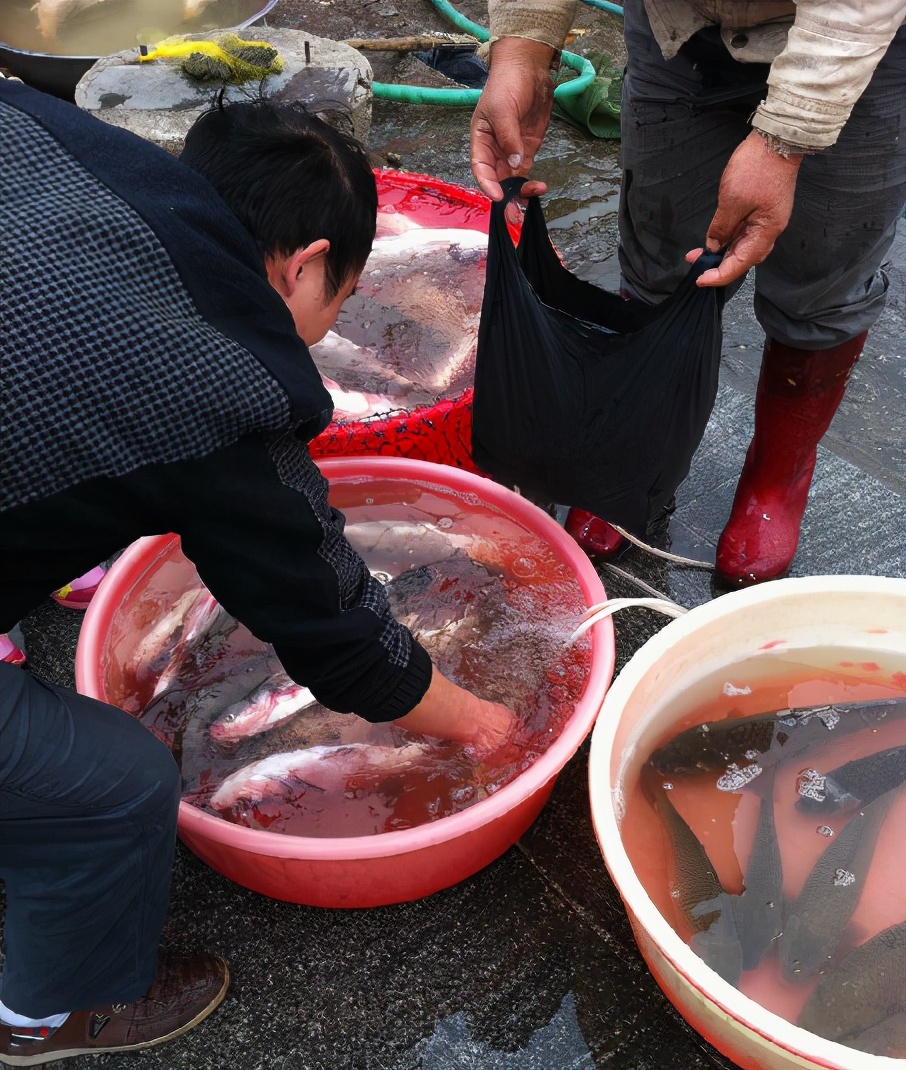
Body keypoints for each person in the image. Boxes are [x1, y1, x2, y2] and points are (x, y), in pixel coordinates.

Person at [0, 83, 515, 1065]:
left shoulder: (52, 129)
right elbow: (338, 638)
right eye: (345, 297)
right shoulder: (230, 388)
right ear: (306, 263)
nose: (334, 317)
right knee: (111, 784)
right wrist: (489, 723)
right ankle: (52, 1012)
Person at [469, 0, 906, 586]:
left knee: (823, 282)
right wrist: (523, 49)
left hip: (859, 42)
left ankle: (778, 476)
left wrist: (788, 135)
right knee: (661, 262)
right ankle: (633, 452)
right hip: (680, 27)